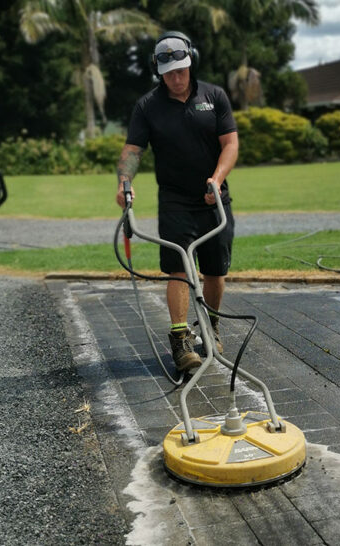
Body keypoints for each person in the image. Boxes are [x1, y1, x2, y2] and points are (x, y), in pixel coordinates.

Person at [115, 31, 238, 373]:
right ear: (159, 71)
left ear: (190, 62)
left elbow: (230, 144)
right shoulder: (148, 106)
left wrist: (216, 178)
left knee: (215, 270)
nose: (176, 77)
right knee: (179, 269)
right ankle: (181, 340)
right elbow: (133, 151)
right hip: (175, 201)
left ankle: (211, 326)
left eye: (181, 70)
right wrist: (125, 182)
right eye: (169, 72)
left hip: (214, 198)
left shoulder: (214, 96)